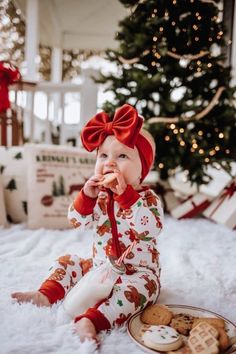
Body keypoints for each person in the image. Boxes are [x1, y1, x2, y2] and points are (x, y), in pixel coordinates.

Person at [11, 104, 164, 343]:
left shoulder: (148, 199)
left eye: (122, 156)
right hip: (99, 266)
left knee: (140, 292)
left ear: (143, 168)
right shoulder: (99, 196)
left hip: (138, 272)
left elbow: (149, 230)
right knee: (68, 261)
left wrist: (126, 198)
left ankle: (94, 319)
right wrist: (87, 197)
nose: (110, 163)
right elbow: (76, 222)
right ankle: (45, 295)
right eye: (103, 156)